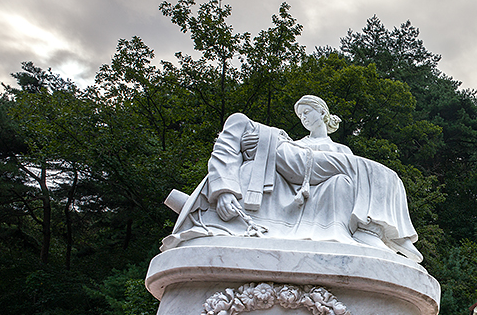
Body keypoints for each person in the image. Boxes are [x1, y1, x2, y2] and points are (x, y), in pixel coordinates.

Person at [163, 95, 422, 261]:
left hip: (299, 166)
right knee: (376, 172)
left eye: (307, 112)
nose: (303, 118)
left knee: (362, 174)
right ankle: (382, 233)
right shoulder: (244, 123)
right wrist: (224, 191)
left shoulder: (340, 149)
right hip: (288, 159)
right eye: (300, 115)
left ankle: (372, 231)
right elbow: (223, 152)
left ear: (322, 113)